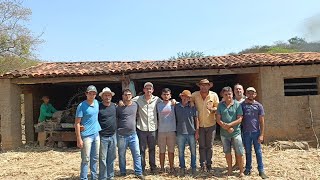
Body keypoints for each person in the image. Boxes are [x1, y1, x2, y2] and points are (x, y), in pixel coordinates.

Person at [133, 82, 161, 173]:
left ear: (152, 90)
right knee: (142, 149)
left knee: (152, 149)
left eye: (150, 89)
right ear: (144, 90)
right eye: (147, 88)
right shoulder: (138, 99)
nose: (148, 90)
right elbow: (128, 100)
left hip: (153, 128)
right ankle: (142, 167)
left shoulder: (157, 99)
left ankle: (153, 167)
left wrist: (174, 102)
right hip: (142, 128)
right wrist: (121, 102)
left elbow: (167, 102)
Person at [191, 79, 219, 172]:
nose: (203, 87)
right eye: (202, 85)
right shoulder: (194, 95)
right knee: (202, 146)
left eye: (206, 85)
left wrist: (213, 109)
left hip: (211, 124)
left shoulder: (214, 95)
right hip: (200, 125)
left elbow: (218, 108)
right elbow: (188, 101)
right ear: (199, 86)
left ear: (209, 86)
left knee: (209, 146)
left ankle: (209, 164)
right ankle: (202, 164)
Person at [116, 89, 145, 180]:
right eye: (125, 95)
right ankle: (123, 172)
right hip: (121, 135)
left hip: (133, 134)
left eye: (129, 94)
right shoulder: (118, 107)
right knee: (121, 154)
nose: (127, 96)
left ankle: (138, 172)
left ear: (132, 95)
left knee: (136, 154)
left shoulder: (135, 105)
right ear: (123, 96)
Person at [75, 85, 101, 180]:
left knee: (95, 158)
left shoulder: (97, 103)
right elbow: (77, 123)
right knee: (86, 159)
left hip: (96, 134)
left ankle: (94, 177)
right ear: (86, 94)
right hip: (86, 135)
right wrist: (79, 139)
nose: (92, 95)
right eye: (90, 93)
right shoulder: (82, 106)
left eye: (94, 93)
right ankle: (84, 178)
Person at [216, 86, 244, 177]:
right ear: (223, 96)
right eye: (226, 94)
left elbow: (240, 119)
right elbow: (218, 119)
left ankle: (241, 171)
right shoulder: (220, 105)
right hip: (224, 133)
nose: (228, 96)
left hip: (236, 132)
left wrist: (230, 125)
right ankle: (230, 170)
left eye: (230, 94)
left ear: (232, 94)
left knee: (239, 152)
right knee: (227, 153)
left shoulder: (237, 104)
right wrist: (226, 127)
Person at [241, 87, 268, 179]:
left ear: (255, 94)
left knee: (258, 152)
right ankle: (248, 169)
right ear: (246, 94)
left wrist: (262, 134)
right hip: (246, 132)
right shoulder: (242, 105)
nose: (251, 95)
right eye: (249, 93)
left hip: (256, 132)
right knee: (248, 151)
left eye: (252, 93)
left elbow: (262, 121)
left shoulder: (259, 106)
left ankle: (261, 170)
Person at [175, 90, 199, 176]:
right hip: (180, 132)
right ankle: (182, 167)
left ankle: (193, 167)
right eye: (184, 96)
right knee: (181, 151)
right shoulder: (176, 106)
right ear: (181, 97)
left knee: (193, 151)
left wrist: (197, 131)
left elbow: (196, 120)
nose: (186, 99)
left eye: (188, 97)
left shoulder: (193, 107)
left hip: (191, 132)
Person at [98, 87, 117, 180]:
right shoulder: (98, 107)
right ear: (102, 97)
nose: (107, 97)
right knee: (102, 159)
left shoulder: (114, 106)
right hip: (102, 136)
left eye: (109, 95)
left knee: (112, 158)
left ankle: (110, 176)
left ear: (111, 96)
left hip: (113, 135)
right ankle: (103, 177)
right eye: (105, 95)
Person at [156, 88, 176, 173]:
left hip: (171, 130)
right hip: (161, 131)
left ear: (170, 95)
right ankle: (162, 167)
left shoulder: (174, 104)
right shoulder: (158, 105)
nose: (166, 96)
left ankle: (172, 167)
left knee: (171, 150)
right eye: (164, 94)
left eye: (167, 94)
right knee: (162, 151)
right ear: (161, 96)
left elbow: (186, 102)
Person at [232, 83, 245, 169]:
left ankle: (244, 165)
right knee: (236, 146)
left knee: (244, 146)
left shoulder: (247, 100)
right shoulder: (231, 101)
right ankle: (237, 163)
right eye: (236, 89)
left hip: (246, 126)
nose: (238, 90)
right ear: (234, 91)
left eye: (240, 89)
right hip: (236, 127)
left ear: (243, 91)